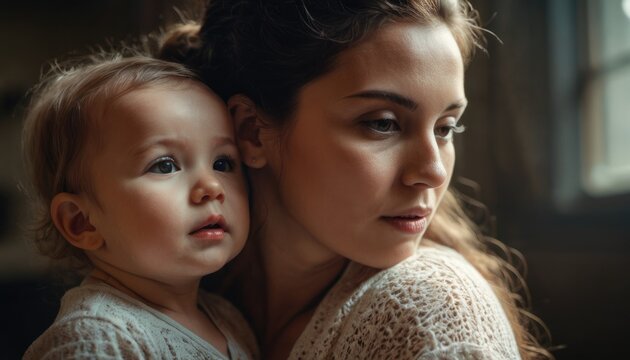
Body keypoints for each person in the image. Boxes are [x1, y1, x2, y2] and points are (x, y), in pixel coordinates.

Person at [172, 0, 552, 359]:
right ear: (253, 131)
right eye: (382, 124)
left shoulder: (432, 311)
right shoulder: (165, 294)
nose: (434, 172)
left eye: (446, 128)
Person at [21, 54, 258, 359]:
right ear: (83, 222)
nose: (211, 187)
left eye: (222, 162)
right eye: (164, 165)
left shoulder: (230, 320)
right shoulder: (95, 338)